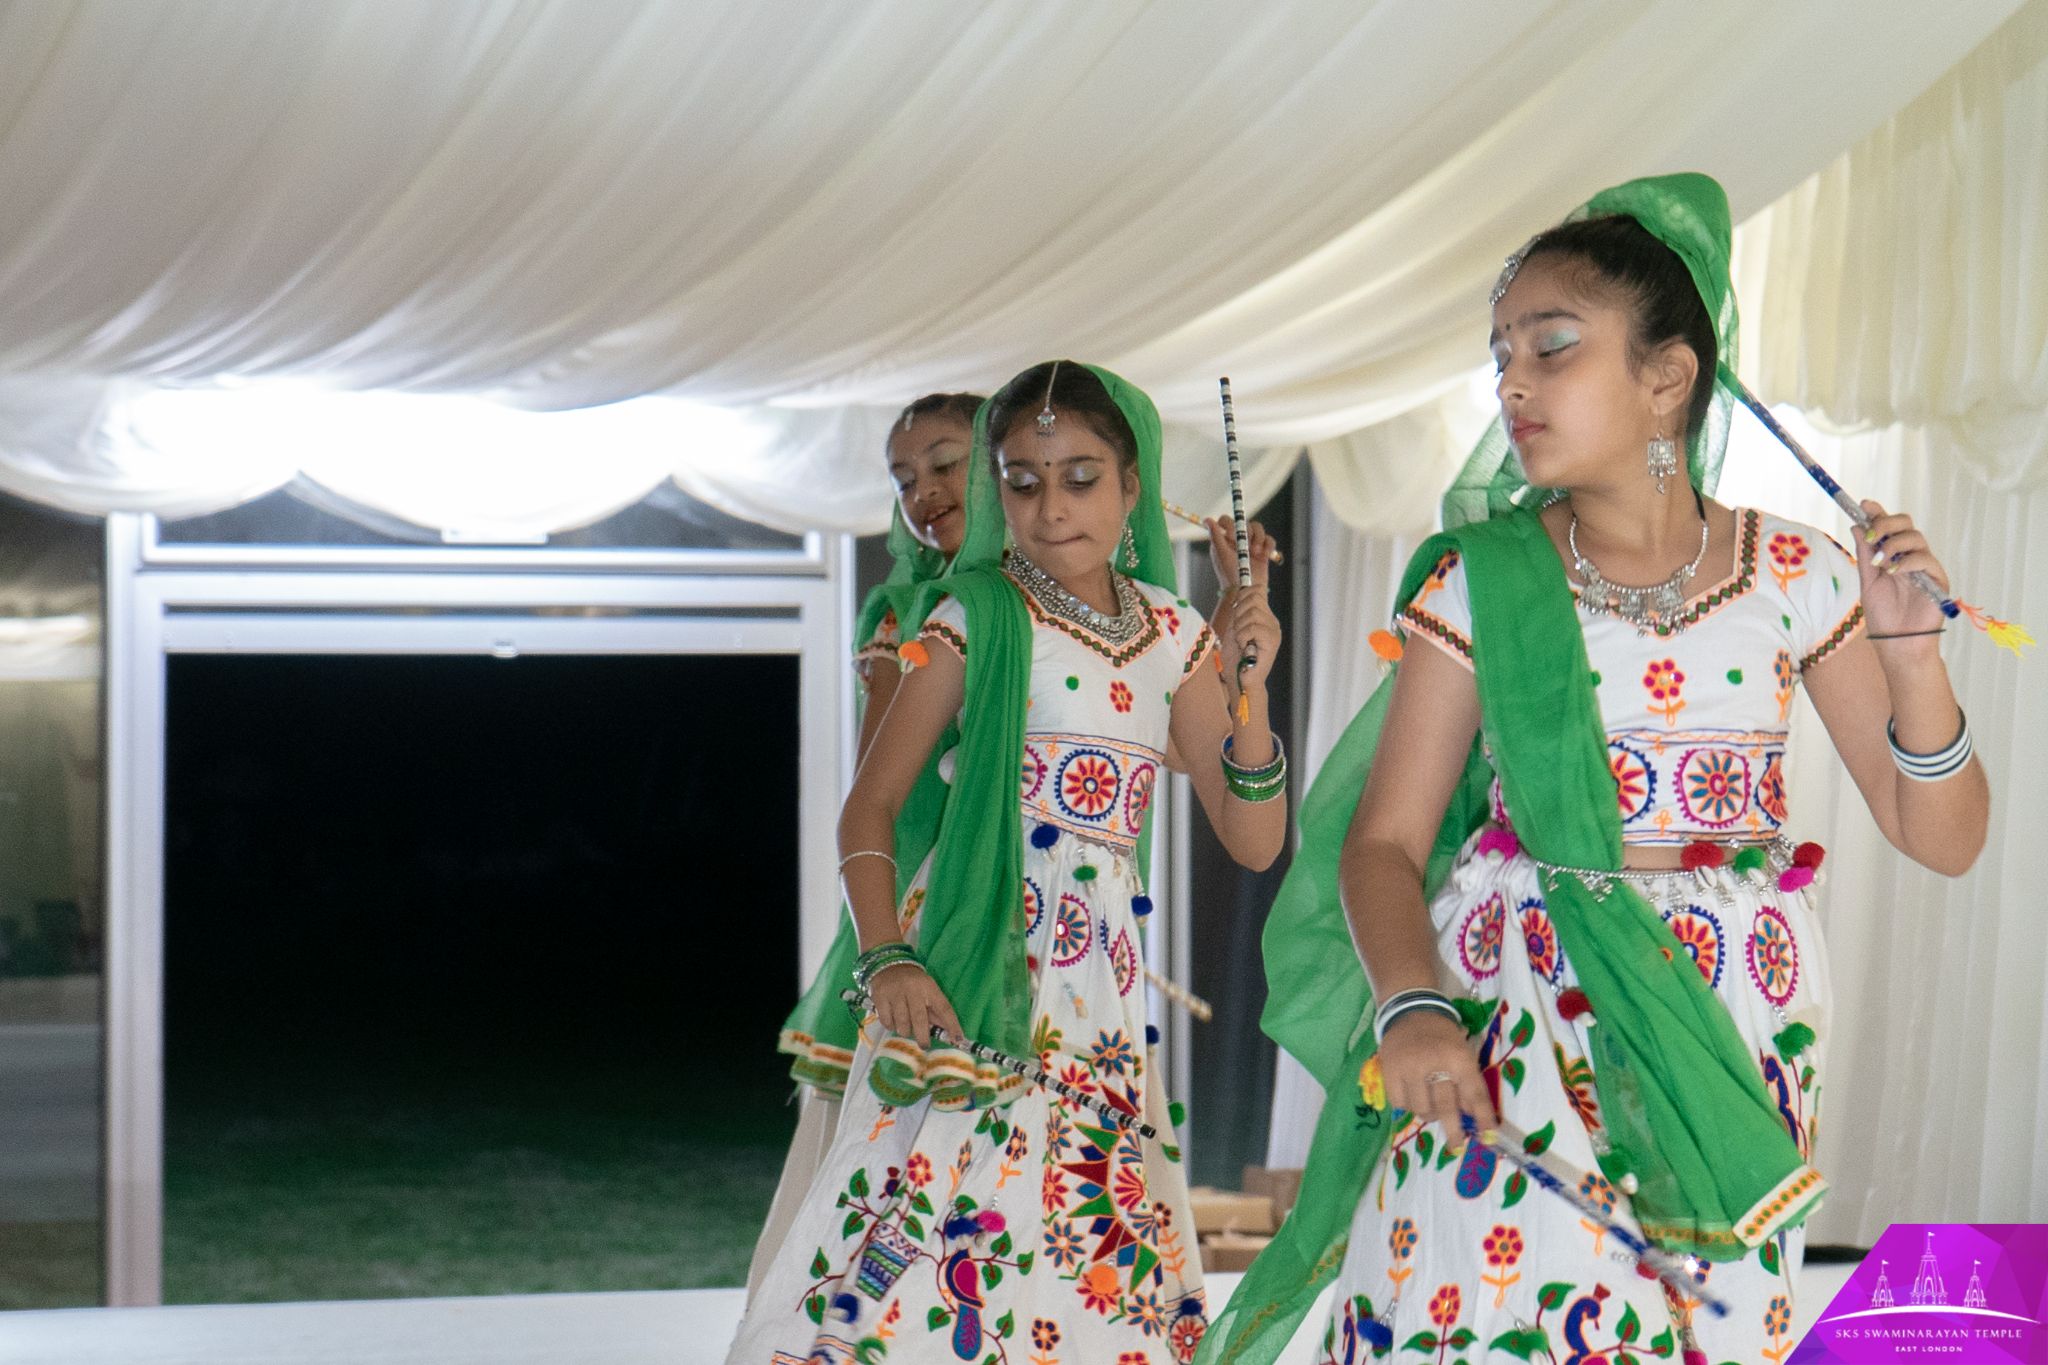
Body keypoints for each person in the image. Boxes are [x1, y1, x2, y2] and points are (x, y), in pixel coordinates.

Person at [1202, 174, 1988, 1365]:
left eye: (1551, 348)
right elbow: (1383, 846)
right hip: (1511, 1012)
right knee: (1485, 1321)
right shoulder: (1479, 580)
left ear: (1666, 376)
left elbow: (1940, 837)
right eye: (1500, 353)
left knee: (1695, 1333)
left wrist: (1910, 652)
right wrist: (1411, 1010)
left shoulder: (1799, 574)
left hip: (1726, 1022)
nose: (1511, 383)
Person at [730, 360, 1286, 1364]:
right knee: (938, 1220)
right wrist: (887, 957)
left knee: (1079, 1232)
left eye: (1079, 476)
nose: (1048, 505)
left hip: (1101, 991)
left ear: (1130, 488)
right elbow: (872, 806)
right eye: (1021, 480)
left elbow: (1252, 838)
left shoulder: (1171, 631)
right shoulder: (971, 616)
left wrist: (1250, 688)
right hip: (973, 960)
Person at [745, 391, 984, 1298]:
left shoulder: (1057, 604)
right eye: (904, 476)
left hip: (1039, 919)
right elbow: (877, 794)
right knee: (876, 1179)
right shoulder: (908, 612)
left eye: (944, 463)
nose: (923, 491)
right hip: (927, 915)